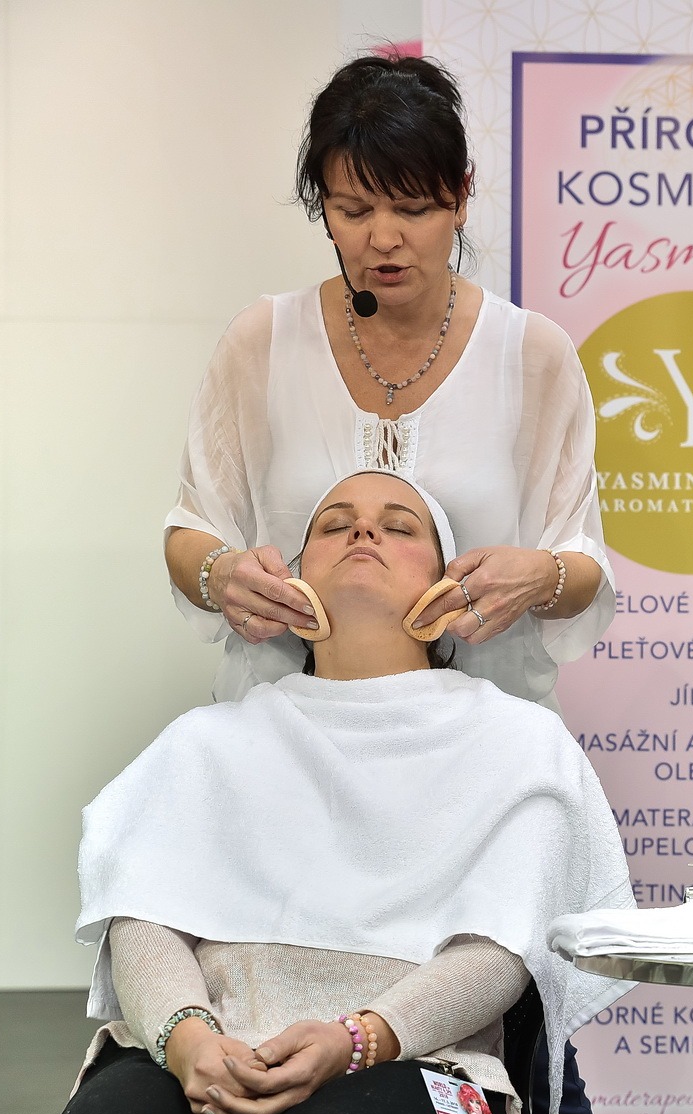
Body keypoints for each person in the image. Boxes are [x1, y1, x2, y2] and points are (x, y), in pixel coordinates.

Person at [42, 471, 634, 1114]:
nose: (363, 530)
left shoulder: (519, 744)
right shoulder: (209, 742)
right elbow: (142, 917)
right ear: (292, 586)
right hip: (206, 1051)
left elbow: (502, 949)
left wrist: (358, 1040)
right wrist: (187, 1039)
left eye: (400, 525)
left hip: (417, 1063)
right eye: (333, 524)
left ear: (449, 586)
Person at [163, 52, 613, 715]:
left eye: (412, 208)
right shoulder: (262, 342)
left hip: (478, 732)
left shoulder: (533, 355)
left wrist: (541, 577)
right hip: (289, 724)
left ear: (461, 196)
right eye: (352, 210)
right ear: (323, 205)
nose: (382, 238)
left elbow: (582, 563)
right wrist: (220, 574)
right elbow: (191, 529)